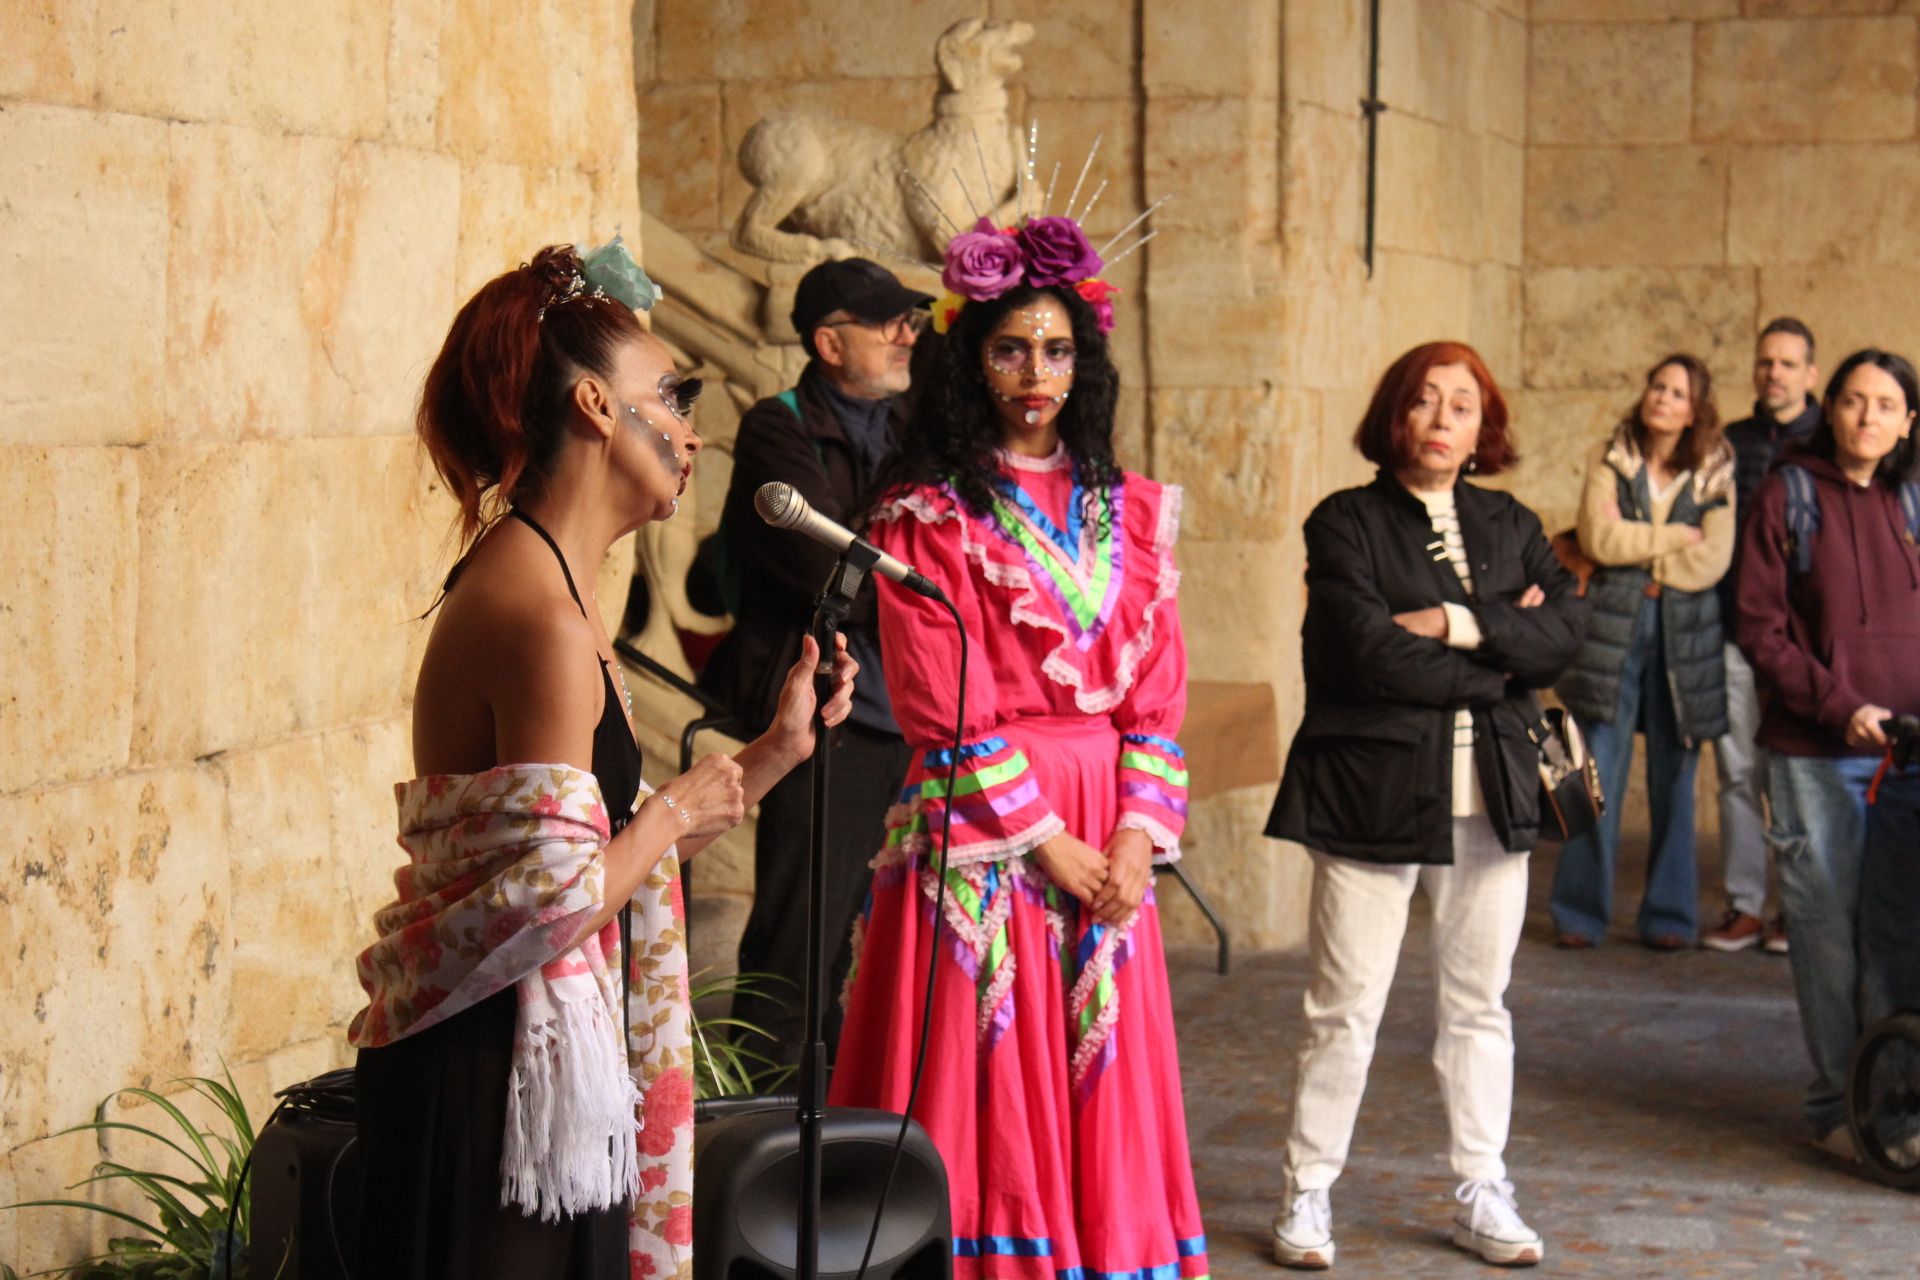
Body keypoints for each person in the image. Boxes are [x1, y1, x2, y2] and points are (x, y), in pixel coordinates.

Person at [347, 242, 856, 1279]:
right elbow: (553, 895)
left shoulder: (558, 588)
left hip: (527, 1070)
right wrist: (669, 812)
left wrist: (774, 752)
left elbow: (583, 847)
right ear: (591, 405)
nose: (691, 428)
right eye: (668, 395)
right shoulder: (537, 613)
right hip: (497, 1085)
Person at [827, 213, 1209, 1280]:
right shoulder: (927, 513)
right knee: (987, 1086)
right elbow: (939, 702)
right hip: (987, 824)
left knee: (1101, 1083)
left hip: (1105, 828)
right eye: (1008, 346)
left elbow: (1155, 700)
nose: (1034, 371)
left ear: (1084, 360)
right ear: (968, 354)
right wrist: (1048, 843)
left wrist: (1136, 838)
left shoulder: (1134, 512)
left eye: (1056, 347)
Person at [1264, 342, 1587, 1270]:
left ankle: (1481, 1188)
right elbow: (1362, 654)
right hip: (1370, 790)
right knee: (1345, 1004)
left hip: (1491, 796)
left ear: (1484, 428)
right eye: (1425, 402)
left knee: (1481, 1004)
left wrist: (1457, 623)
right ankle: (1309, 1190)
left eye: (1463, 405)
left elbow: (1563, 639)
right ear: (1393, 416)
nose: (1444, 419)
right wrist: (1505, 655)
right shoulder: (1345, 523)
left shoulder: (1512, 521)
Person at [700, 257, 931, 1065]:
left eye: (913, 321)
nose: (909, 335)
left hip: (905, 709)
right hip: (824, 713)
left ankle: (836, 1129)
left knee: (868, 950)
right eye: (888, 323)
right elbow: (834, 572)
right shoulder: (777, 425)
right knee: (799, 944)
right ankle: (760, 1130)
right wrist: (919, 569)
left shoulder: (911, 425)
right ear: (829, 343)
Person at [1735, 348, 1920, 1160]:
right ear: (1829, 408)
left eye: (1886, 405)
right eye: (1853, 401)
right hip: (1817, 751)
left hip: (1908, 755)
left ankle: (1894, 1108)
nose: (1868, 417)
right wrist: (1841, 708)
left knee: (1896, 939)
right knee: (1828, 937)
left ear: (1909, 422)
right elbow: (1759, 629)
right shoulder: (1788, 494)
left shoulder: (1914, 501)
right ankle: (1837, 1110)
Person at [1551, 355, 1734, 950]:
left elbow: (1714, 559)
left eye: (1678, 392)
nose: (1663, 398)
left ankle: (1670, 916)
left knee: (1675, 778)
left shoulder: (1715, 471)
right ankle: (1579, 913)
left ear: (1694, 410)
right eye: (1658, 386)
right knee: (1592, 770)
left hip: (1684, 634)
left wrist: (1638, 552)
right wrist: (1675, 539)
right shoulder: (1613, 459)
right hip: (1612, 626)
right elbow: (1598, 538)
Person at [1703, 317, 1821, 955]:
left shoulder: (1828, 441)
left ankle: (1794, 912)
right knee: (1737, 773)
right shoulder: (1730, 442)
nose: (1773, 372)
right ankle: (1745, 907)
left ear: (1811, 373)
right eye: (1765, 361)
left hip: (1804, 642)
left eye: (1786, 363)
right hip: (1734, 634)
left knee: (1797, 777)